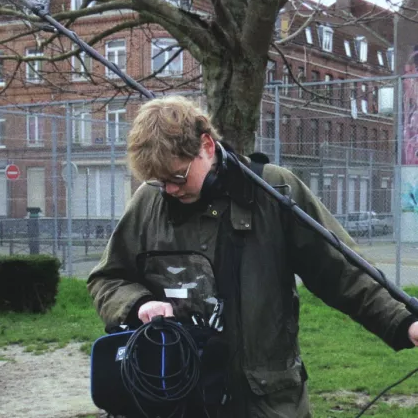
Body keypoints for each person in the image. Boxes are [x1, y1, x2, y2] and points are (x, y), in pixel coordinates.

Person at [88, 95, 418, 418]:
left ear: (206, 146)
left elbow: (342, 271)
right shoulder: (148, 202)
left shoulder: (274, 190)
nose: (170, 190)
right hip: (176, 399)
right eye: (159, 182)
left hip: (266, 402)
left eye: (177, 177)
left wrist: (404, 321)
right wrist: (138, 303)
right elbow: (108, 278)